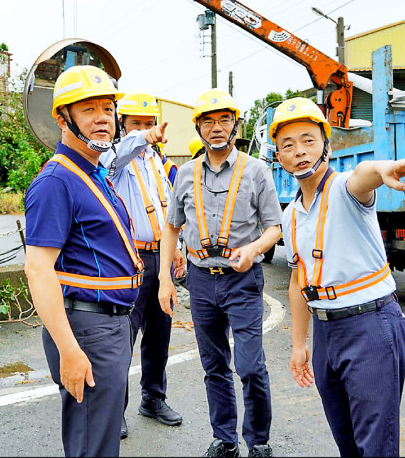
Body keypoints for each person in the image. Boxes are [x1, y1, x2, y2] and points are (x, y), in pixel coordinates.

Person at [270, 97, 405, 457]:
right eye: (288, 145)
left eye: (309, 140)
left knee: (376, 446)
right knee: (348, 444)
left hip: (370, 325)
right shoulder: (291, 215)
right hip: (326, 332)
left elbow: (364, 174)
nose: (300, 152)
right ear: (279, 157)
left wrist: (384, 169)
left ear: (327, 143)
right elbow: (297, 282)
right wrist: (298, 344)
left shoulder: (346, 190)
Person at [24, 65, 161, 457]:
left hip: (109, 324)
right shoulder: (57, 181)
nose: (102, 118)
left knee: (100, 440)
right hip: (86, 328)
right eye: (88, 110)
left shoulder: (95, 172)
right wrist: (69, 350)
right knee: (92, 445)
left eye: (107, 108)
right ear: (63, 118)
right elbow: (38, 269)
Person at [157, 88, 282, 458]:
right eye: (208, 121)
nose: (216, 128)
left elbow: (275, 228)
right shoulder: (185, 174)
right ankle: (225, 440)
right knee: (213, 365)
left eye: (223, 120)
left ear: (235, 124)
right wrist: (165, 277)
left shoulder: (256, 171)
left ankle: (258, 440)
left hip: (242, 280)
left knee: (249, 365)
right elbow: (171, 227)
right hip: (199, 279)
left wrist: (254, 249)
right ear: (198, 127)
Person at [99, 91, 185, 438]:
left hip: (160, 257)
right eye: (136, 123)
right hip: (130, 259)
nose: (146, 130)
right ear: (124, 125)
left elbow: (167, 211)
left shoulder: (156, 162)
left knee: (159, 333)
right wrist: (143, 137)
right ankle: (112, 409)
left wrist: (175, 250)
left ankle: (153, 398)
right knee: (123, 336)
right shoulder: (114, 157)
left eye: (149, 124)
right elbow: (121, 152)